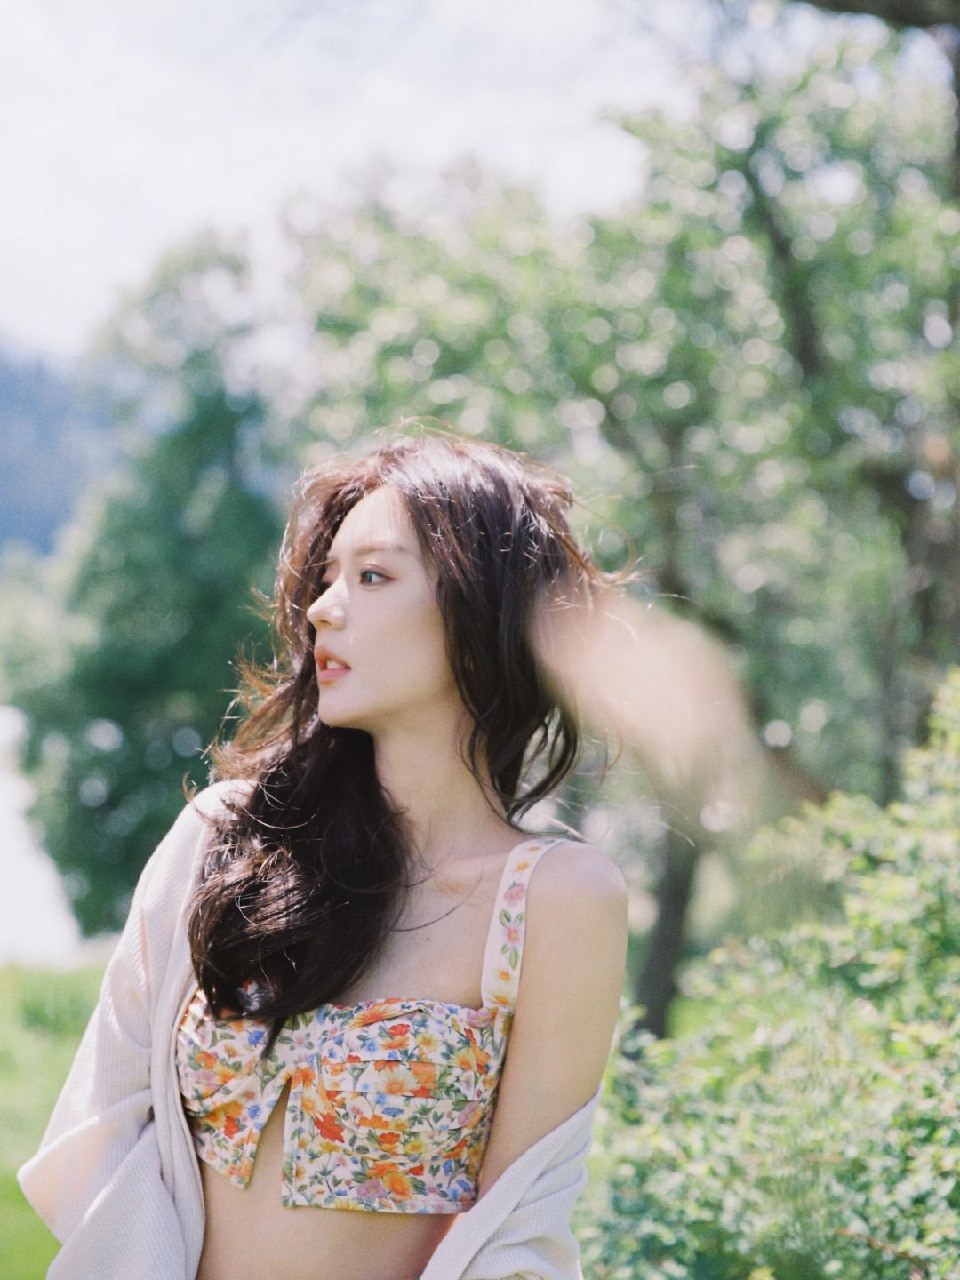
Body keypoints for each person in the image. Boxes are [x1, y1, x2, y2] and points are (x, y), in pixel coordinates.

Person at [19, 430, 629, 1280]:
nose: (323, 609)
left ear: (483, 604)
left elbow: (517, 1228)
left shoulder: (556, 899)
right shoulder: (225, 837)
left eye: (373, 577)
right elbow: (102, 1124)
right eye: (329, 576)